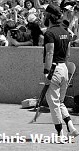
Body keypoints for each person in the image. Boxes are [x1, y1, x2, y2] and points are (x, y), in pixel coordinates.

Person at [43, 4, 79, 142]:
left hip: (54, 68)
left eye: (46, 15)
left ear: (49, 16)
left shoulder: (49, 33)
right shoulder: (65, 31)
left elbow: (50, 52)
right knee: (60, 102)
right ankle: (71, 127)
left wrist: (47, 72)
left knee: (53, 104)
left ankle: (60, 134)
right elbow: (68, 53)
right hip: (64, 67)